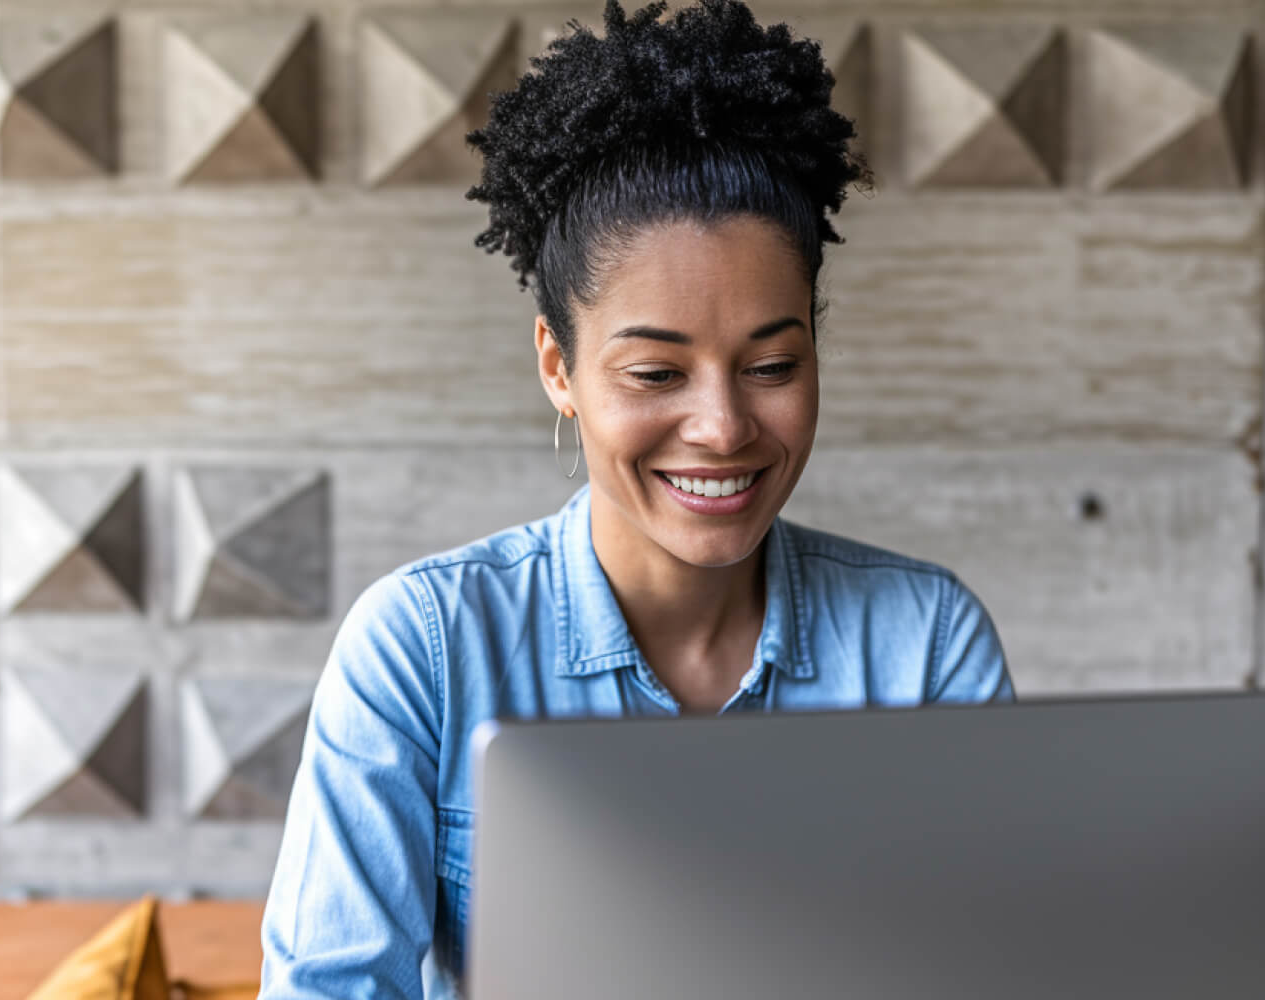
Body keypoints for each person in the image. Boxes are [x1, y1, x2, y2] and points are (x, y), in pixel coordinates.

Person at [258, 1, 1014, 996]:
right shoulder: (424, 648)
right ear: (558, 367)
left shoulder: (924, 645)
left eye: (773, 363)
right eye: (657, 374)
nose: (723, 426)